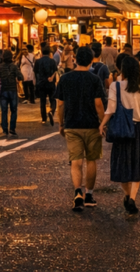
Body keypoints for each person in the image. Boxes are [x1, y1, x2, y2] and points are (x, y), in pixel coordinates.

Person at [100, 55, 140, 215]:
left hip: (122, 130)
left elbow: (110, 109)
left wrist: (102, 124)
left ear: (122, 70)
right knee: (137, 165)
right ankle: (132, 198)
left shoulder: (115, 87)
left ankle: (126, 194)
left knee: (122, 165)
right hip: (139, 130)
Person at [55, 47, 106, 211]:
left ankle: (78, 193)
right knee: (91, 160)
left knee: (76, 161)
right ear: (91, 60)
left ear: (75, 59)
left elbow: (60, 104)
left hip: (72, 124)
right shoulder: (94, 79)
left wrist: (61, 124)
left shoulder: (65, 78)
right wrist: (103, 122)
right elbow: (98, 104)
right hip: (91, 124)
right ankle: (89, 195)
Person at [0, 50, 21, 135]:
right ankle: (12, 128)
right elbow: (21, 77)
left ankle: (5, 128)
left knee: (4, 110)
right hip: (13, 90)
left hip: (3, 90)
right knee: (14, 110)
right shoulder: (14, 66)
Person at [34, 44, 59, 125]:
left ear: (41, 52)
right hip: (50, 83)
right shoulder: (52, 61)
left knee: (43, 101)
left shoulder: (38, 61)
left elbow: (36, 72)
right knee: (53, 99)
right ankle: (52, 111)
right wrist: (51, 77)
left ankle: (44, 119)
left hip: (41, 83)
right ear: (49, 53)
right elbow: (55, 71)